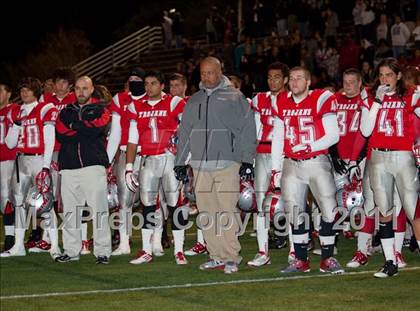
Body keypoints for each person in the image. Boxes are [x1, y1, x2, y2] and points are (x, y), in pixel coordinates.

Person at [174, 57, 257, 274]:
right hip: (200, 165)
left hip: (228, 163)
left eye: (211, 72)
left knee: (226, 211)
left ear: (220, 72)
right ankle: (215, 255)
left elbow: (248, 128)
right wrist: (180, 162)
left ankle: (231, 257)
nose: (207, 77)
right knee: (206, 213)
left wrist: (248, 159)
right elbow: (184, 132)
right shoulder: (194, 100)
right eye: (203, 73)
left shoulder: (235, 97)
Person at [271, 66, 344, 274]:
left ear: (309, 81)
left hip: (316, 161)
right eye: (292, 78)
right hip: (291, 164)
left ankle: (328, 258)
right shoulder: (281, 101)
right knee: (295, 213)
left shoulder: (322, 98)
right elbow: (277, 137)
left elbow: (333, 135)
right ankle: (301, 260)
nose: (294, 82)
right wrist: (276, 169)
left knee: (329, 210)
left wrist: (310, 146)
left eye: (299, 78)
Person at [359, 58, 419, 277]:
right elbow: (365, 131)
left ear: (398, 76)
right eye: (381, 75)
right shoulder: (371, 97)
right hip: (378, 156)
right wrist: (377, 101)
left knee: (413, 209)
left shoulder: (410, 95)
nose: (385, 79)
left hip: (402, 156)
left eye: (389, 75)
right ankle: (390, 261)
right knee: (384, 210)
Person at [125, 71, 188, 265]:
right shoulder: (136, 106)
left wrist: (183, 161)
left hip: (169, 158)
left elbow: (186, 131)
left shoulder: (174, 103)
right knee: (148, 205)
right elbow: (132, 140)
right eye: (146, 84)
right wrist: (129, 167)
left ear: (162, 86)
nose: (149, 87)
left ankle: (179, 250)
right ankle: (146, 250)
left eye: (153, 83)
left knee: (175, 204)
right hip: (149, 159)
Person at [55, 76, 112, 264]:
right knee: (70, 212)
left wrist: (76, 127)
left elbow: (98, 128)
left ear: (91, 89)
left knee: (100, 211)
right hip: (69, 167)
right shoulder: (66, 111)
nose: (81, 92)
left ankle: (103, 251)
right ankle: (72, 251)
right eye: (78, 88)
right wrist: (83, 128)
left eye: (85, 88)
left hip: (93, 165)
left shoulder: (101, 109)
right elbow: (61, 133)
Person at [1, 77, 59, 259]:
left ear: (36, 91)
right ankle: (18, 245)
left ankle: (55, 245)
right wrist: (17, 125)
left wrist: (45, 167)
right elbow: (10, 144)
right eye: (22, 90)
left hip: (39, 159)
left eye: (28, 89)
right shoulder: (18, 113)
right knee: (18, 203)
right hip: (21, 162)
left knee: (46, 204)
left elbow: (49, 141)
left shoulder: (46, 108)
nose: (24, 93)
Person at [247, 62, 289, 267]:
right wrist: (250, 157)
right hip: (262, 154)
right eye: (270, 77)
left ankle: (295, 250)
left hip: (284, 155)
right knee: (260, 203)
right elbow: (255, 129)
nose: (273, 81)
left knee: (291, 201)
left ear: (286, 80)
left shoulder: (291, 98)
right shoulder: (259, 98)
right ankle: (262, 251)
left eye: (277, 77)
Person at [106, 67, 146, 256]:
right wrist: (106, 161)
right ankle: (124, 242)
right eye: (131, 78)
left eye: (138, 78)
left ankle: (155, 240)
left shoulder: (154, 98)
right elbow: (115, 133)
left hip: (150, 153)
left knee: (153, 199)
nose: (134, 81)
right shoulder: (119, 99)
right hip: (124, 152)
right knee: (124, 200)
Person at [0, 83, 18, 252]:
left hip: (9, 160)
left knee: (8, 199)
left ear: (9, 93)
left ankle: (10, 237)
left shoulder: (15, 110)